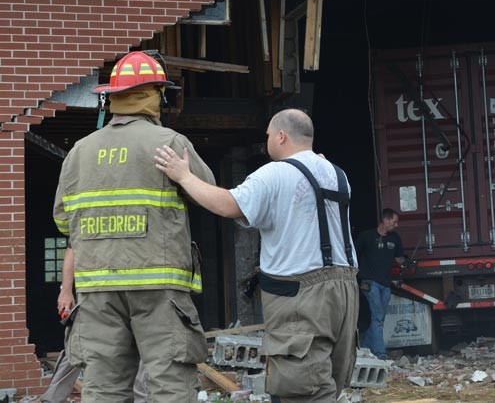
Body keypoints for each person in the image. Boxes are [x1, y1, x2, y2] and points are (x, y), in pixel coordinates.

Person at [155, 108, 359, 403]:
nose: (266, 142)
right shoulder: (337, 174)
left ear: (281, 136)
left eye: (267, 136)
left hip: (302, 295)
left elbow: (228, 204)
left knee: (301, 388)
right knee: (328, 380)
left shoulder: (275, 173)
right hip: (344, 289)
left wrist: (184, 176)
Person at [52, 51, 215, 403]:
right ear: (156, 94)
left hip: (97, 289)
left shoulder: (78, 152)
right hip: (159, 286)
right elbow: (209, 195)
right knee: (168, 385)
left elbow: (63, 220)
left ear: (112, 97)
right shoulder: (169, 143)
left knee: (104, 388)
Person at [36, 248, 148, 403]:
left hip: (136, 294)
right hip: (94, 295)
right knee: (77, 346)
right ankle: (52, 399)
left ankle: (140, 399)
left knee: (142, 347)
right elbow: (72, 249)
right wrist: (66, 290)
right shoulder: (91, 226)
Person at [354, 209, 404, 359]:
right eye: (394, 221)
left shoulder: (395, 238)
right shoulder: (366, 236)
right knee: (377, 317)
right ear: (386, 220)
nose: (396, 225)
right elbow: (353, 254)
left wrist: (406, 263)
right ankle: (380, 352)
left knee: (380, 318)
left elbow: (398, 258)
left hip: (386, 284)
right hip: (369, 283)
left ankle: (364, 345)